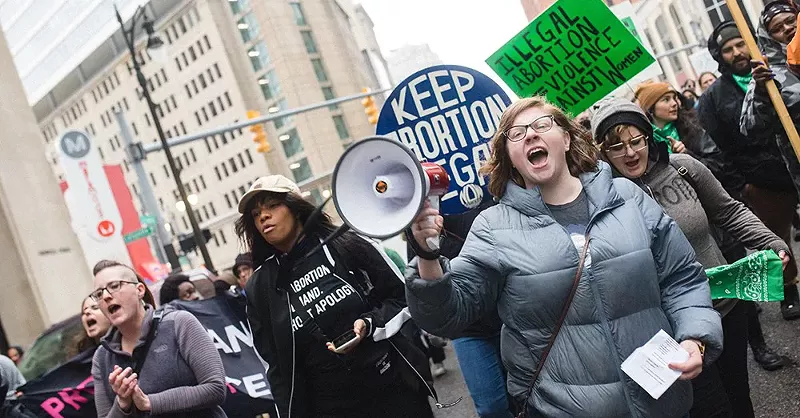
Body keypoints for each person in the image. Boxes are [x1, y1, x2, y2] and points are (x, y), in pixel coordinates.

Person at [405, 96, 723, 417]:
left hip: (662, 401)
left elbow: (681, 279)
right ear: (510, 157)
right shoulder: (493, 227)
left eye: (542, 126)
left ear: (567, 139)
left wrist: (694, 337)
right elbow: (446, 314)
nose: (530, 135)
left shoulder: (628, 197)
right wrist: (426, 255)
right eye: (516, 134)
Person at [591, 97, 791, 418]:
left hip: (725, 308)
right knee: (708, 410)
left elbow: (729, 211)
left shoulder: (683, 168)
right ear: (602, 152)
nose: (629, 153)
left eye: (636, 141)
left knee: (739, 397)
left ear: (648, 136)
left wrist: (770, 242)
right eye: (616, 146)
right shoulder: (603, 200)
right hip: (672, 331)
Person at [236, 175, 438, 418]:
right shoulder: (260, 287)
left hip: (392, 389)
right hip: (328, 407)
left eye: (272, 205)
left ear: (295, 207)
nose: (263, 216)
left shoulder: (347, 244)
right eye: (256, 213)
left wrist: (370, 323)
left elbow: (404, 298)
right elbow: (275, 368)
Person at [699, 20, 800, 321]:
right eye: (728, 49)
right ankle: (789, 289)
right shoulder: (712, 98)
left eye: (741, 43)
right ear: (719, 57)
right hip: (762, 181)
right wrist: (744, 185)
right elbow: (714, 147)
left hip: (793, 164)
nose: (738, 52)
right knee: (774, 239)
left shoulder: (783, 73)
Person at [408, 200, 513, 418]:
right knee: (491, 407)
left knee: (526, 395)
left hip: (508, 313)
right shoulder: (419, 226)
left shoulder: (483, 205)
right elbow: (424, 287)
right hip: (468, 329)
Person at [91, 260, 227, 417]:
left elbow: (216, 388)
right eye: (99, 294)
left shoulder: (178, 323)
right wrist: (122, 403)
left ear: (139, 290)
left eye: (114, 286)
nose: (106, 296)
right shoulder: (102, 357)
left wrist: (149, 402)